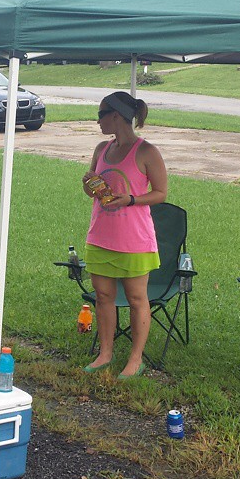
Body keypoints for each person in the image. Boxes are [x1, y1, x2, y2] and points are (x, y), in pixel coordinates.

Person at [81, 91, 167, 378]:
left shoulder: (146, 152)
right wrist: (89, 184)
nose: (98, 122)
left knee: (136, 299)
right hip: (100, 236)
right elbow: (90, 191)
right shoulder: (101, 149)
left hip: (134, 240)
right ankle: (105, 354)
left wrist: (130, 200)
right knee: (104, 296)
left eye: (100, 115)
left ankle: (135, 359)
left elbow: (161, 193)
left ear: (116, 116)